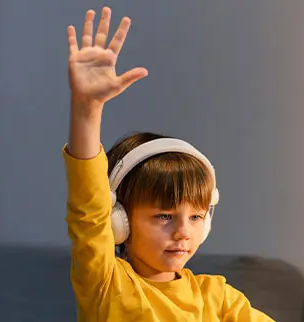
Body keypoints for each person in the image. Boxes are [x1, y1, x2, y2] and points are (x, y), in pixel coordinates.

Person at [63, 6, 274, 321]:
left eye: (196, 217)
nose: (183, 232)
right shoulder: (107, 285)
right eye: (164, 215)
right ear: (119, 220)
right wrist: (87, 107)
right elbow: (88, 211)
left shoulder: (219, 298)